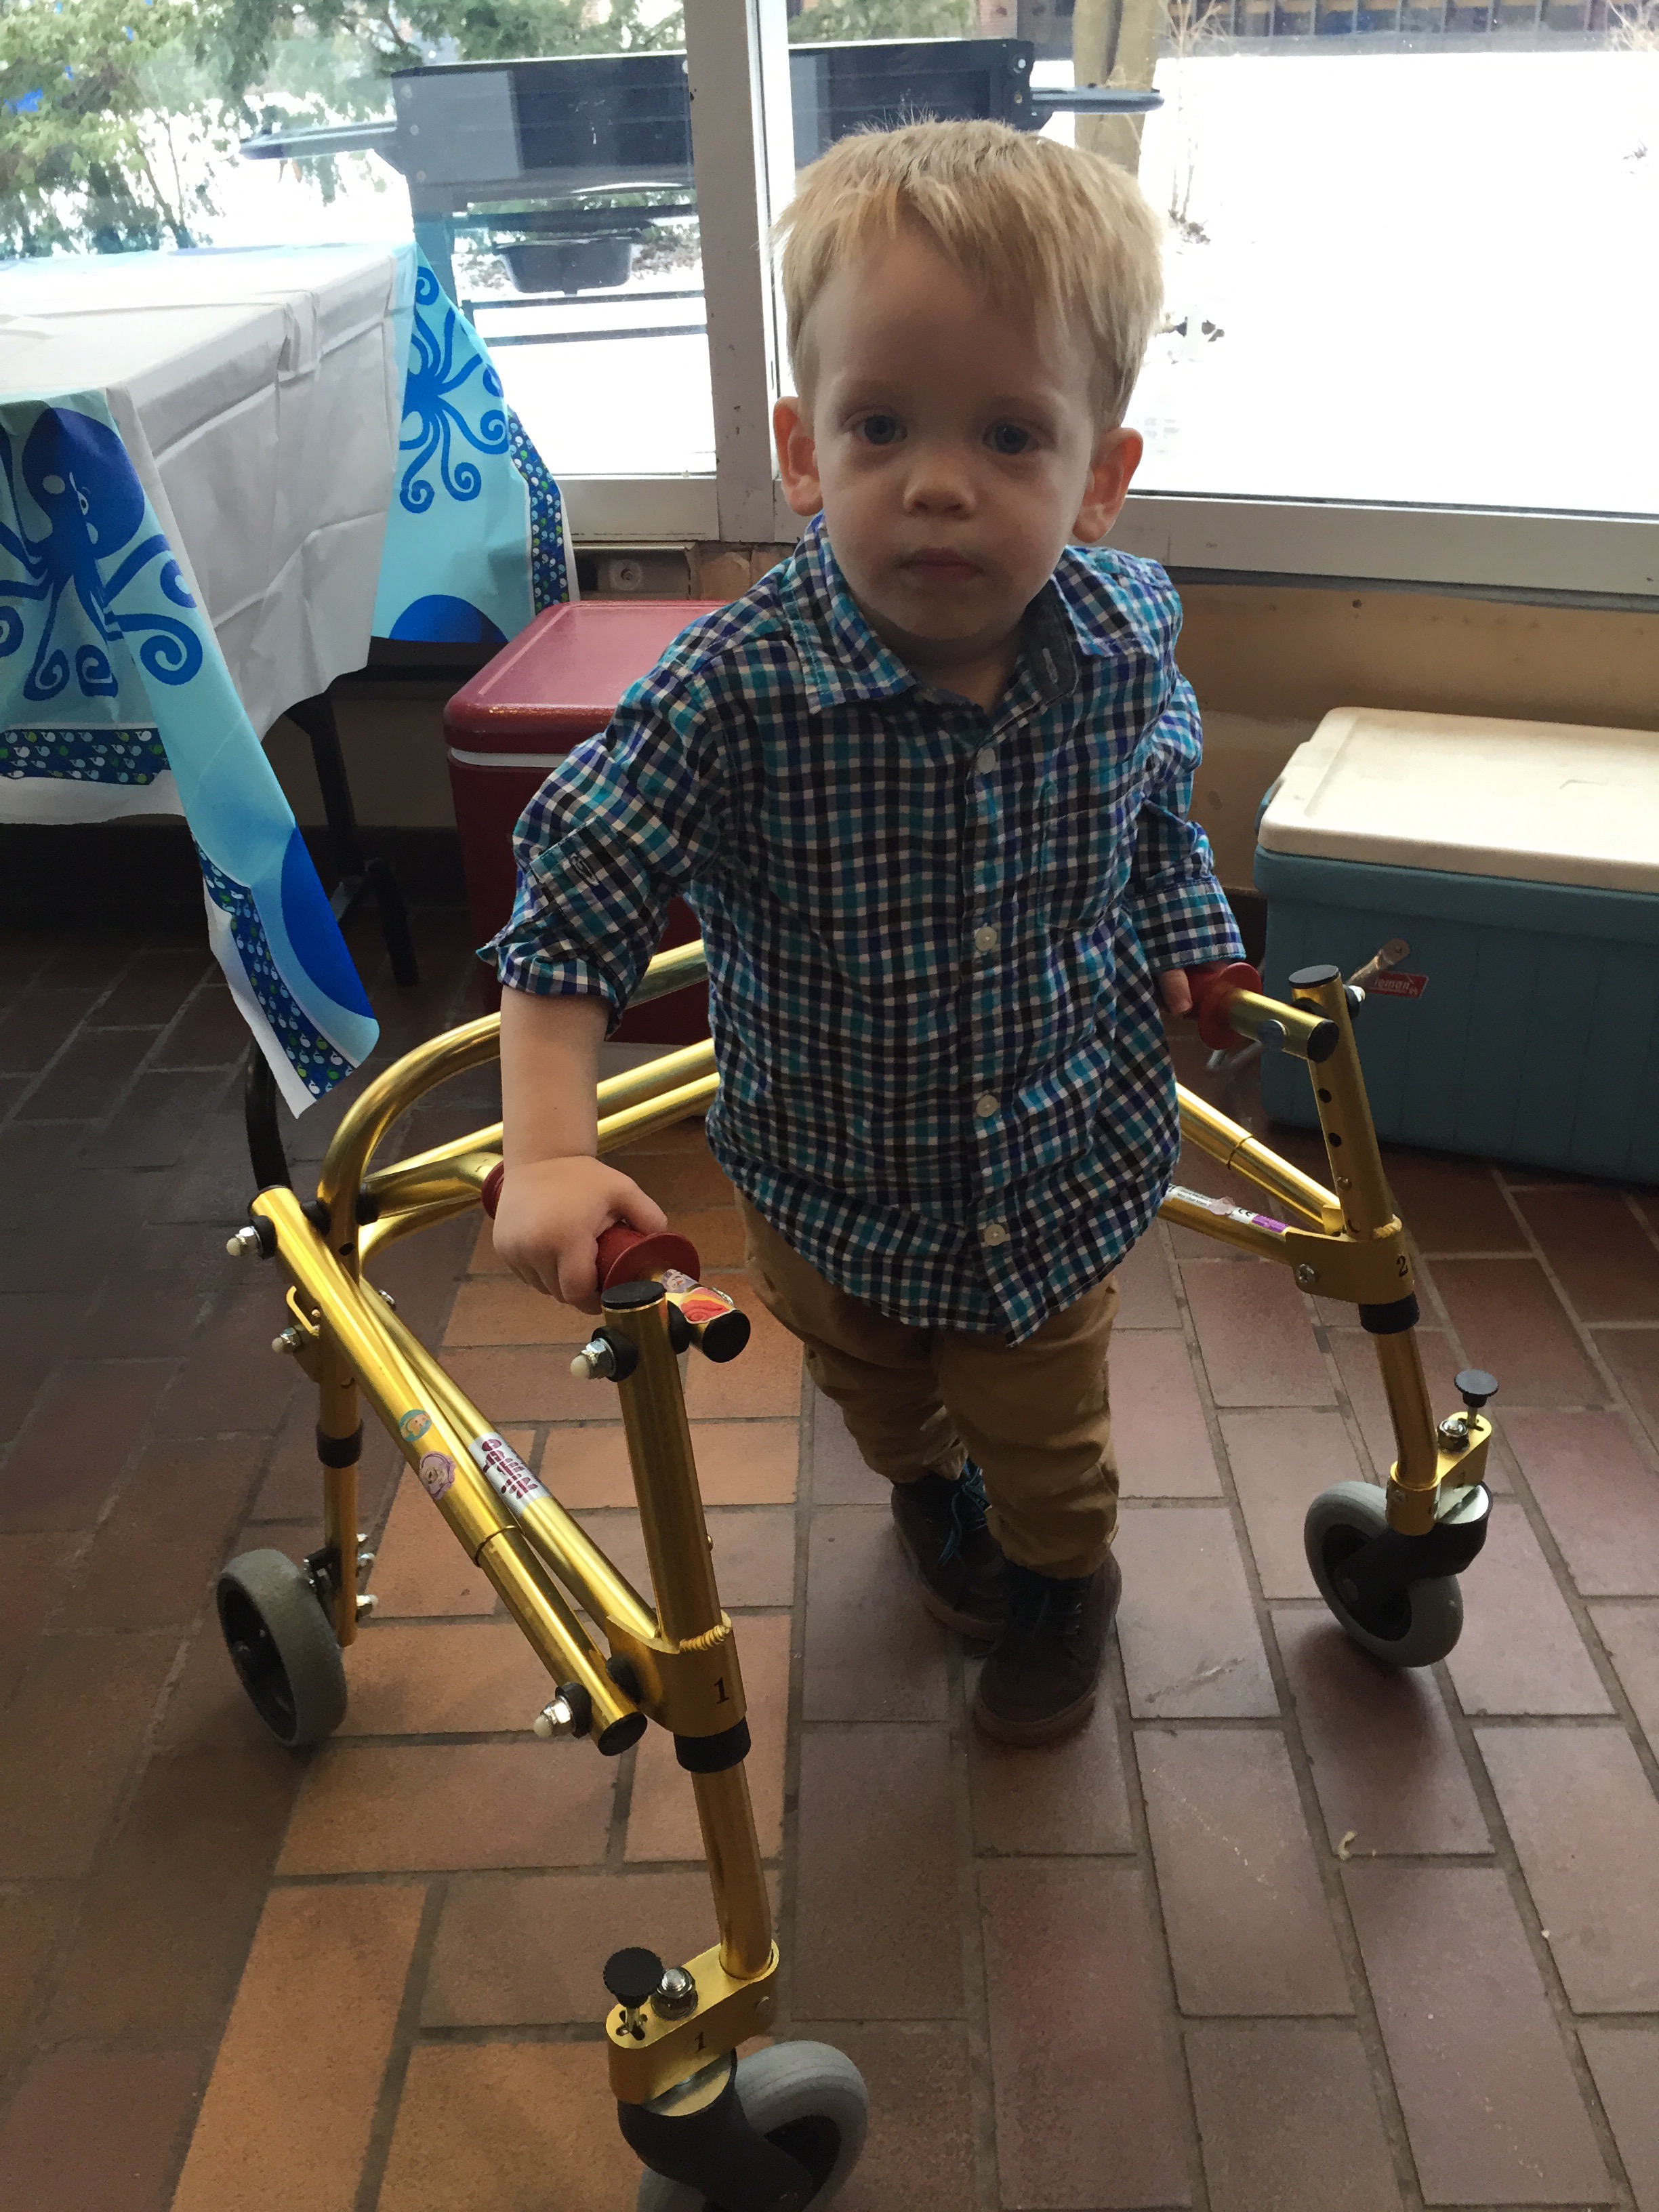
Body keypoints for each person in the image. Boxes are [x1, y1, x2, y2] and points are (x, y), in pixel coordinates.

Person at [490, 119, 1244, 1747]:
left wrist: (1191, 920)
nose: (941, 482)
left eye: (1010, 434)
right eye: (883, 425)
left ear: (1100, 476)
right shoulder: (731, 694)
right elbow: (574, 892)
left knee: (1049, 1444)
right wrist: (546, 1152)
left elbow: (1154, 797)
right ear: (804, 447)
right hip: (829, 1184)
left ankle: (1065, 1581)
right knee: (882, 1399)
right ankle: (926, 1487)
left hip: (1055, 1173)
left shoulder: (1124, 639)